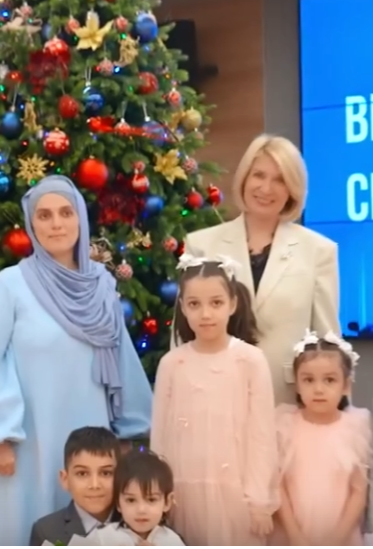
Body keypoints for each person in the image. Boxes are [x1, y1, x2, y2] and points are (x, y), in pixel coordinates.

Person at [0, 175, 153, 547]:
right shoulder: (8, 285)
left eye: (65, 212)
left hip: (92, 436)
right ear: (32, 225)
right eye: (44, 215)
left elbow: (120, 358)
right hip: (27, 441)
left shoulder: (102, 286)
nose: (56, 224)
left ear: (81, 219)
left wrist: (125, 432)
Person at [184, 134, 340, 404]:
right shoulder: (201, 246)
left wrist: (334, 411)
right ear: (245, 178)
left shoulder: (319, 251)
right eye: (259, 175)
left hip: (289, 401)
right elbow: (184, 335)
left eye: (280, 180)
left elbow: (328, 343)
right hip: (214, 397)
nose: (266, 188)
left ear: (292, 189)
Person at [150, 253, 279, 546]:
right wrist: (159, 494)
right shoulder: (172, 364)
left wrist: (259, 499)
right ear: (183, 306)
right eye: (194, 304)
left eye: (216, 303)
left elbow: (262, 435)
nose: (205, 314)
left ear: (232, 304)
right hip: (183, 494)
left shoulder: (250, 360)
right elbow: (160, 436)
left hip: (238, 495)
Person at [271, 330, 369, 545]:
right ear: (297, 384)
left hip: (340, 535)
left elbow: (358, 492)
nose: (318, 389)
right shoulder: (285, 427)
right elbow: (279, 487)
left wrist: (336, 539)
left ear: (345, 385)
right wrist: (295, 536)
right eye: (308, 380)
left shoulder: (354, 429)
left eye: (329, 380)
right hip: (292, 535)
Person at [29, 427, 122, 546]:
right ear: (65, 479)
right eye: (82, 474)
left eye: (106, 473)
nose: (94, 485)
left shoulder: (136, 523)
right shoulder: (46, 531)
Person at [90, 450, 184, 546]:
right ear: (118, 503)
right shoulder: (101, 538)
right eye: (131, 500)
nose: (141, 510)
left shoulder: (173, 541)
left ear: (167, 502)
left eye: (151, 500)